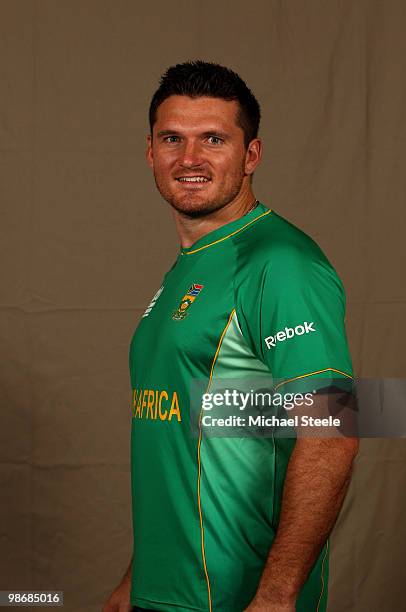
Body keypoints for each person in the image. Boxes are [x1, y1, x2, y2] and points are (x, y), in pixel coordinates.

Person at [103, 60, 358, 612]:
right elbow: (175, 445)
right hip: (163, 592)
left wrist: (276, 595)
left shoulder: (280, 263)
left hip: (236, 598)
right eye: (173, 139)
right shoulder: (189, 267)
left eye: (213, 139)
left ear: (251, 156)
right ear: (150, 152)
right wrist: (136, 577)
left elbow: (331, 432)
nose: (189, 159)